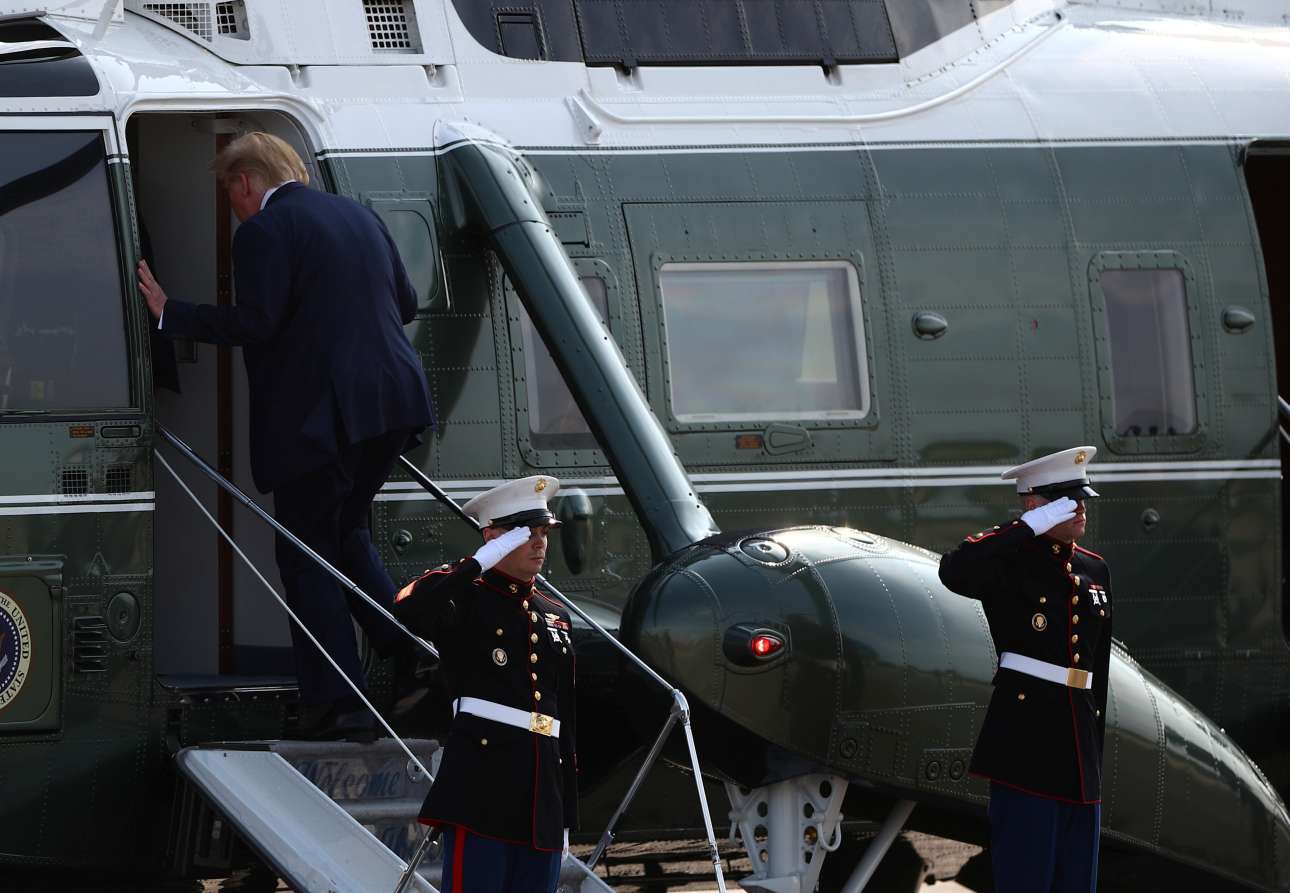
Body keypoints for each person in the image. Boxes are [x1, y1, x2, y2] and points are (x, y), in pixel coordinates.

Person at [136, 132, 435, 741]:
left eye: (230, 195)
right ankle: (411, 648)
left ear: (246, 182)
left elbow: (257, 322)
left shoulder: (264, 232)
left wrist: (172, 312)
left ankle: (341, 704)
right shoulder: (360, 216)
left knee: (304, 554)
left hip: (323, 422)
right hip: (393, 406)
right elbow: (404, 303)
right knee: (344, 533)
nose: (233, 209)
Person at [938, 447, 1112, 893]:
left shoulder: (1094, 569)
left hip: (1079, 753)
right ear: (1035, 504)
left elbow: (1098, 671)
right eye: (1066, 500)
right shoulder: (1009, 562)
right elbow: (955, 569)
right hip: (1026, 746)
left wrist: (1094, 756)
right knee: (1026, 879)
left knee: (1077, 882)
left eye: (1082, 498)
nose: (1080, 508)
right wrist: (1026, 526)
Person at [392, 476, 577, 893]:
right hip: (482, 788)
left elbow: (563, 718)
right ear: (494, 537)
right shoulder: (465, 595)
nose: (539, 543)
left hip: (542, 797)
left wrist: (566, 812)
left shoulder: (554, 614)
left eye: (544, 532)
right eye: (525, 534)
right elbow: (407, 608)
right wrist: (477, 563)